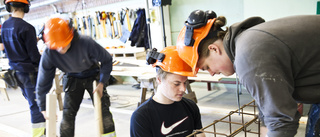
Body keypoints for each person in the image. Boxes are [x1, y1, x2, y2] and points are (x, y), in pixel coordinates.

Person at [175, 10, 320, 137]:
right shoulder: (247, 40)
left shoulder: (247, 54)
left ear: (214, 49)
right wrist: (265, 129)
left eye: (206, 67)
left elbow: (281, 121)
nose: (211, 73)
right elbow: (267, 103)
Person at [36, 17, 116, 137]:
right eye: (57, 47)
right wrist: (43, 106)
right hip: (72, 77)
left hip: (92, 74)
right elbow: (43, 81)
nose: (61, 49)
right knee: (67, 116)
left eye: (63, 45)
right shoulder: (49, 53)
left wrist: (102, 82)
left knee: (103, 113)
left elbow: (107, 60)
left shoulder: (86, 43)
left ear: (71, 36)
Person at [130, 46, 205, 137]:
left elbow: (200, 134)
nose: (183, 89)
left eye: (185, 83)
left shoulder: (191, 107)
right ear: (159, 79)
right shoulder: (141, 117)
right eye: (176, 84)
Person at [1, 0, 46, 136]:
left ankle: (44, 132)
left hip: (16, 72)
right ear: (26, 7)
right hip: (29, 73)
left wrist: (34, 40)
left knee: (33, 103)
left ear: (9, 7)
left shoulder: (5, 26)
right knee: (37, 105)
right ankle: (39, 135)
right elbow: (33, 56)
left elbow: (7, 46)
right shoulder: (28, 28)